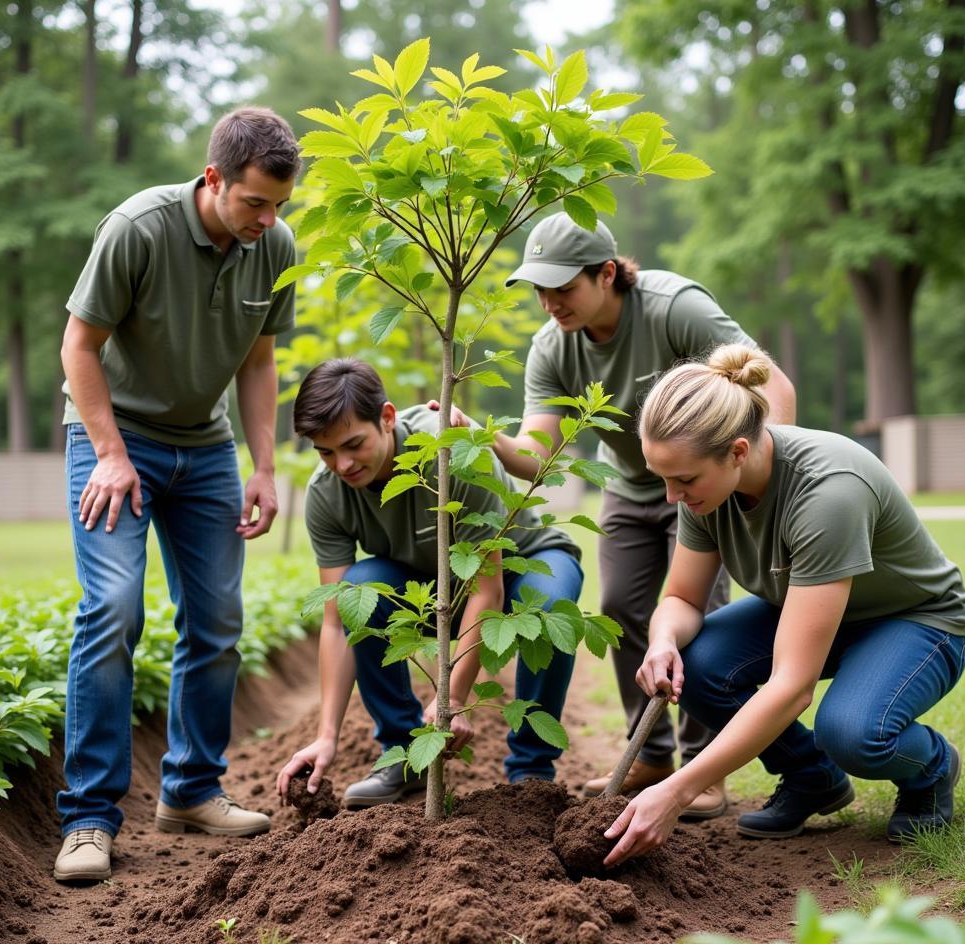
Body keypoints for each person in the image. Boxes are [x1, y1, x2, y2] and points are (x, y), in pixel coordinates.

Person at [441, 213, 796, 817]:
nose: (550, 303)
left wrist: (757, 477)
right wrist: (484, 437)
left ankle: (702, 766)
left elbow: (772, 386)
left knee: (701, 618)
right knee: (623, 610)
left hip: (705, 486)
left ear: (607, 273)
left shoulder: (673, 308)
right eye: (540, 290)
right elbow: (538, 457)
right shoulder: (552, 346)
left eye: (564, 287)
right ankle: (651, 752)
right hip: (632, 488)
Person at [602, 344, 965, 866]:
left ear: (736, 451)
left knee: (852, 732)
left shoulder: (828, 491)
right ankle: (812, 778)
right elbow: (683, 597)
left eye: (682, 481)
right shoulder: (703, 487)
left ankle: (931, 768)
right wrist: (663, 640)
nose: (670, 497)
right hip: (816, 609)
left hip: (917, 621)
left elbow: (791, 686)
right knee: (700, 664)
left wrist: (678, 790)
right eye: (661, 478)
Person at [54, 107, 301, 883]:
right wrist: (111, 454)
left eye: (280, 206)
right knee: (115, 606)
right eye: (254, 202)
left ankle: (191, 791)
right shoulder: (138, 229)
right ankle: (89, 819)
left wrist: (262, 466)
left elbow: (259, 364)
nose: (268, 220)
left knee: (219, 619)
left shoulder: (274, 246)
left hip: (203, 449)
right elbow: (78, 346)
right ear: (214, 179)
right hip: (112, 441)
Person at [276, 359, 584, 807]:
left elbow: (485, 590)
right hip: (432, 585)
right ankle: (406, 759)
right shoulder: (326, 495)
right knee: (357, 590)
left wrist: (451, 698)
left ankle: (531, 774)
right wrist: (327, 736)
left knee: (550, 607)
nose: (341, 465)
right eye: (325, 452)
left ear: (387, 417)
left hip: (523, 563)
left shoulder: (452, 455)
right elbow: (334, 622)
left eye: (353, 445)